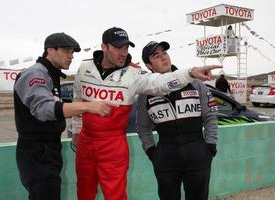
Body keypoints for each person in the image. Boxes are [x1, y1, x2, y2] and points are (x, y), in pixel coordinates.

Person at [71, 27, 222, 200]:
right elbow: (78, 97)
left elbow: (161, 82)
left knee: (115, 195)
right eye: (118, 47)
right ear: (104, 47)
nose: (123, 52)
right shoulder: (84, 67)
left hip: (117, 144)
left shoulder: (135, 75)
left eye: (126, 48)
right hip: (89, 142)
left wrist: (189, 73)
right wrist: (76, 129)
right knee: (84, 190)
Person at [14, 32, 112, 200]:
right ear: (51, 50)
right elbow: (43, 109)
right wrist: (87, 106)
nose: (71, 56)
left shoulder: (50, 73)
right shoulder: (36, 74)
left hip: (47, 148)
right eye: (67, 51)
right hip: (36, 150)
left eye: (73, 52)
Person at [136, 41, 218, 200]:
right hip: (166, 153)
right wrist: (152, 152)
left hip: (197, 150)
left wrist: (210, 146)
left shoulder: (193, 82)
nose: (164, 58)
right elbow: (143, 127)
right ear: (148, 65)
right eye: (156, 56)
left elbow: (211, 116)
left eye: (164, 53)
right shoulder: (145, 93)